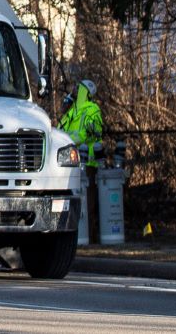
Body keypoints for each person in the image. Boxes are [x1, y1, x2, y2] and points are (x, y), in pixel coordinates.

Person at [60, 79, 106, 242]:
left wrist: (65, 140)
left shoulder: (92, 110)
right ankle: (76, 236)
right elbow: (60, 128)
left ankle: (91, 238)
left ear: (84, 91)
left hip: (87, 163)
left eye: (77, 88)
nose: (73, 90)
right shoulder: (73, 110)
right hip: (70, 161)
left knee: (88, 202)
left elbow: (87, 134)